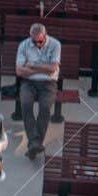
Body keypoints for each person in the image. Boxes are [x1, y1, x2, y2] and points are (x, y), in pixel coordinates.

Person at [15, 21, 61, 157]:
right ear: (30, 37)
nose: (37, 45)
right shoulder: (23, 45)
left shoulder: (55, 45)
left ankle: (34, 144)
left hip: (49, 84)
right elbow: (19, 71)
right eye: (34, 42)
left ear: (45, 36)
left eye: (40, 42)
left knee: (45, 107)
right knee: (25, 104)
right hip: (28, 83)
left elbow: (52, 69)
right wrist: (43, 68)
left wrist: (32, 67)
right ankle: (35, 143)